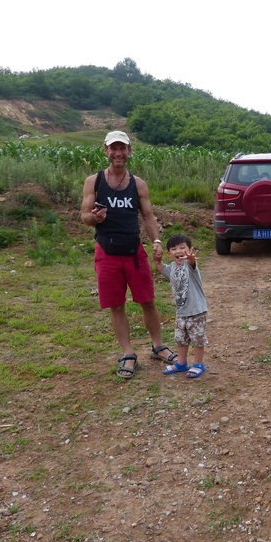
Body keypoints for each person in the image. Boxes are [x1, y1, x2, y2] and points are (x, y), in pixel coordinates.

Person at [80, 130, 176, 379]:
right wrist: (95, 217)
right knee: (116, 305)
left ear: (129, 151)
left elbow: (147, 216)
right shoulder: (94, 182)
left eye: (122, 148)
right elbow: (84, 216)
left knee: (147, 301)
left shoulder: (138, 183)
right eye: (113, 148)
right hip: (107, 253)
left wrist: (155, 240)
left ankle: (158, 346)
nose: (118, 153)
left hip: (134, 253)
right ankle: (128, 353)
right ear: (106, 151)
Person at [154, 233, 209, 378]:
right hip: (181, 313)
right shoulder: (171, 268)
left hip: (196, 311)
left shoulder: (190, 265)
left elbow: (192, 263)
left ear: (190, 249)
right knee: (181, 339)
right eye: (173, 249)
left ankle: (198, 364)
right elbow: (160, 267)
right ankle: (182, 363)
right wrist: (157, 260)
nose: (178, 251)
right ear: (169, 253)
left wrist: (191, 259)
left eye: (182, 248)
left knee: (197, 339)